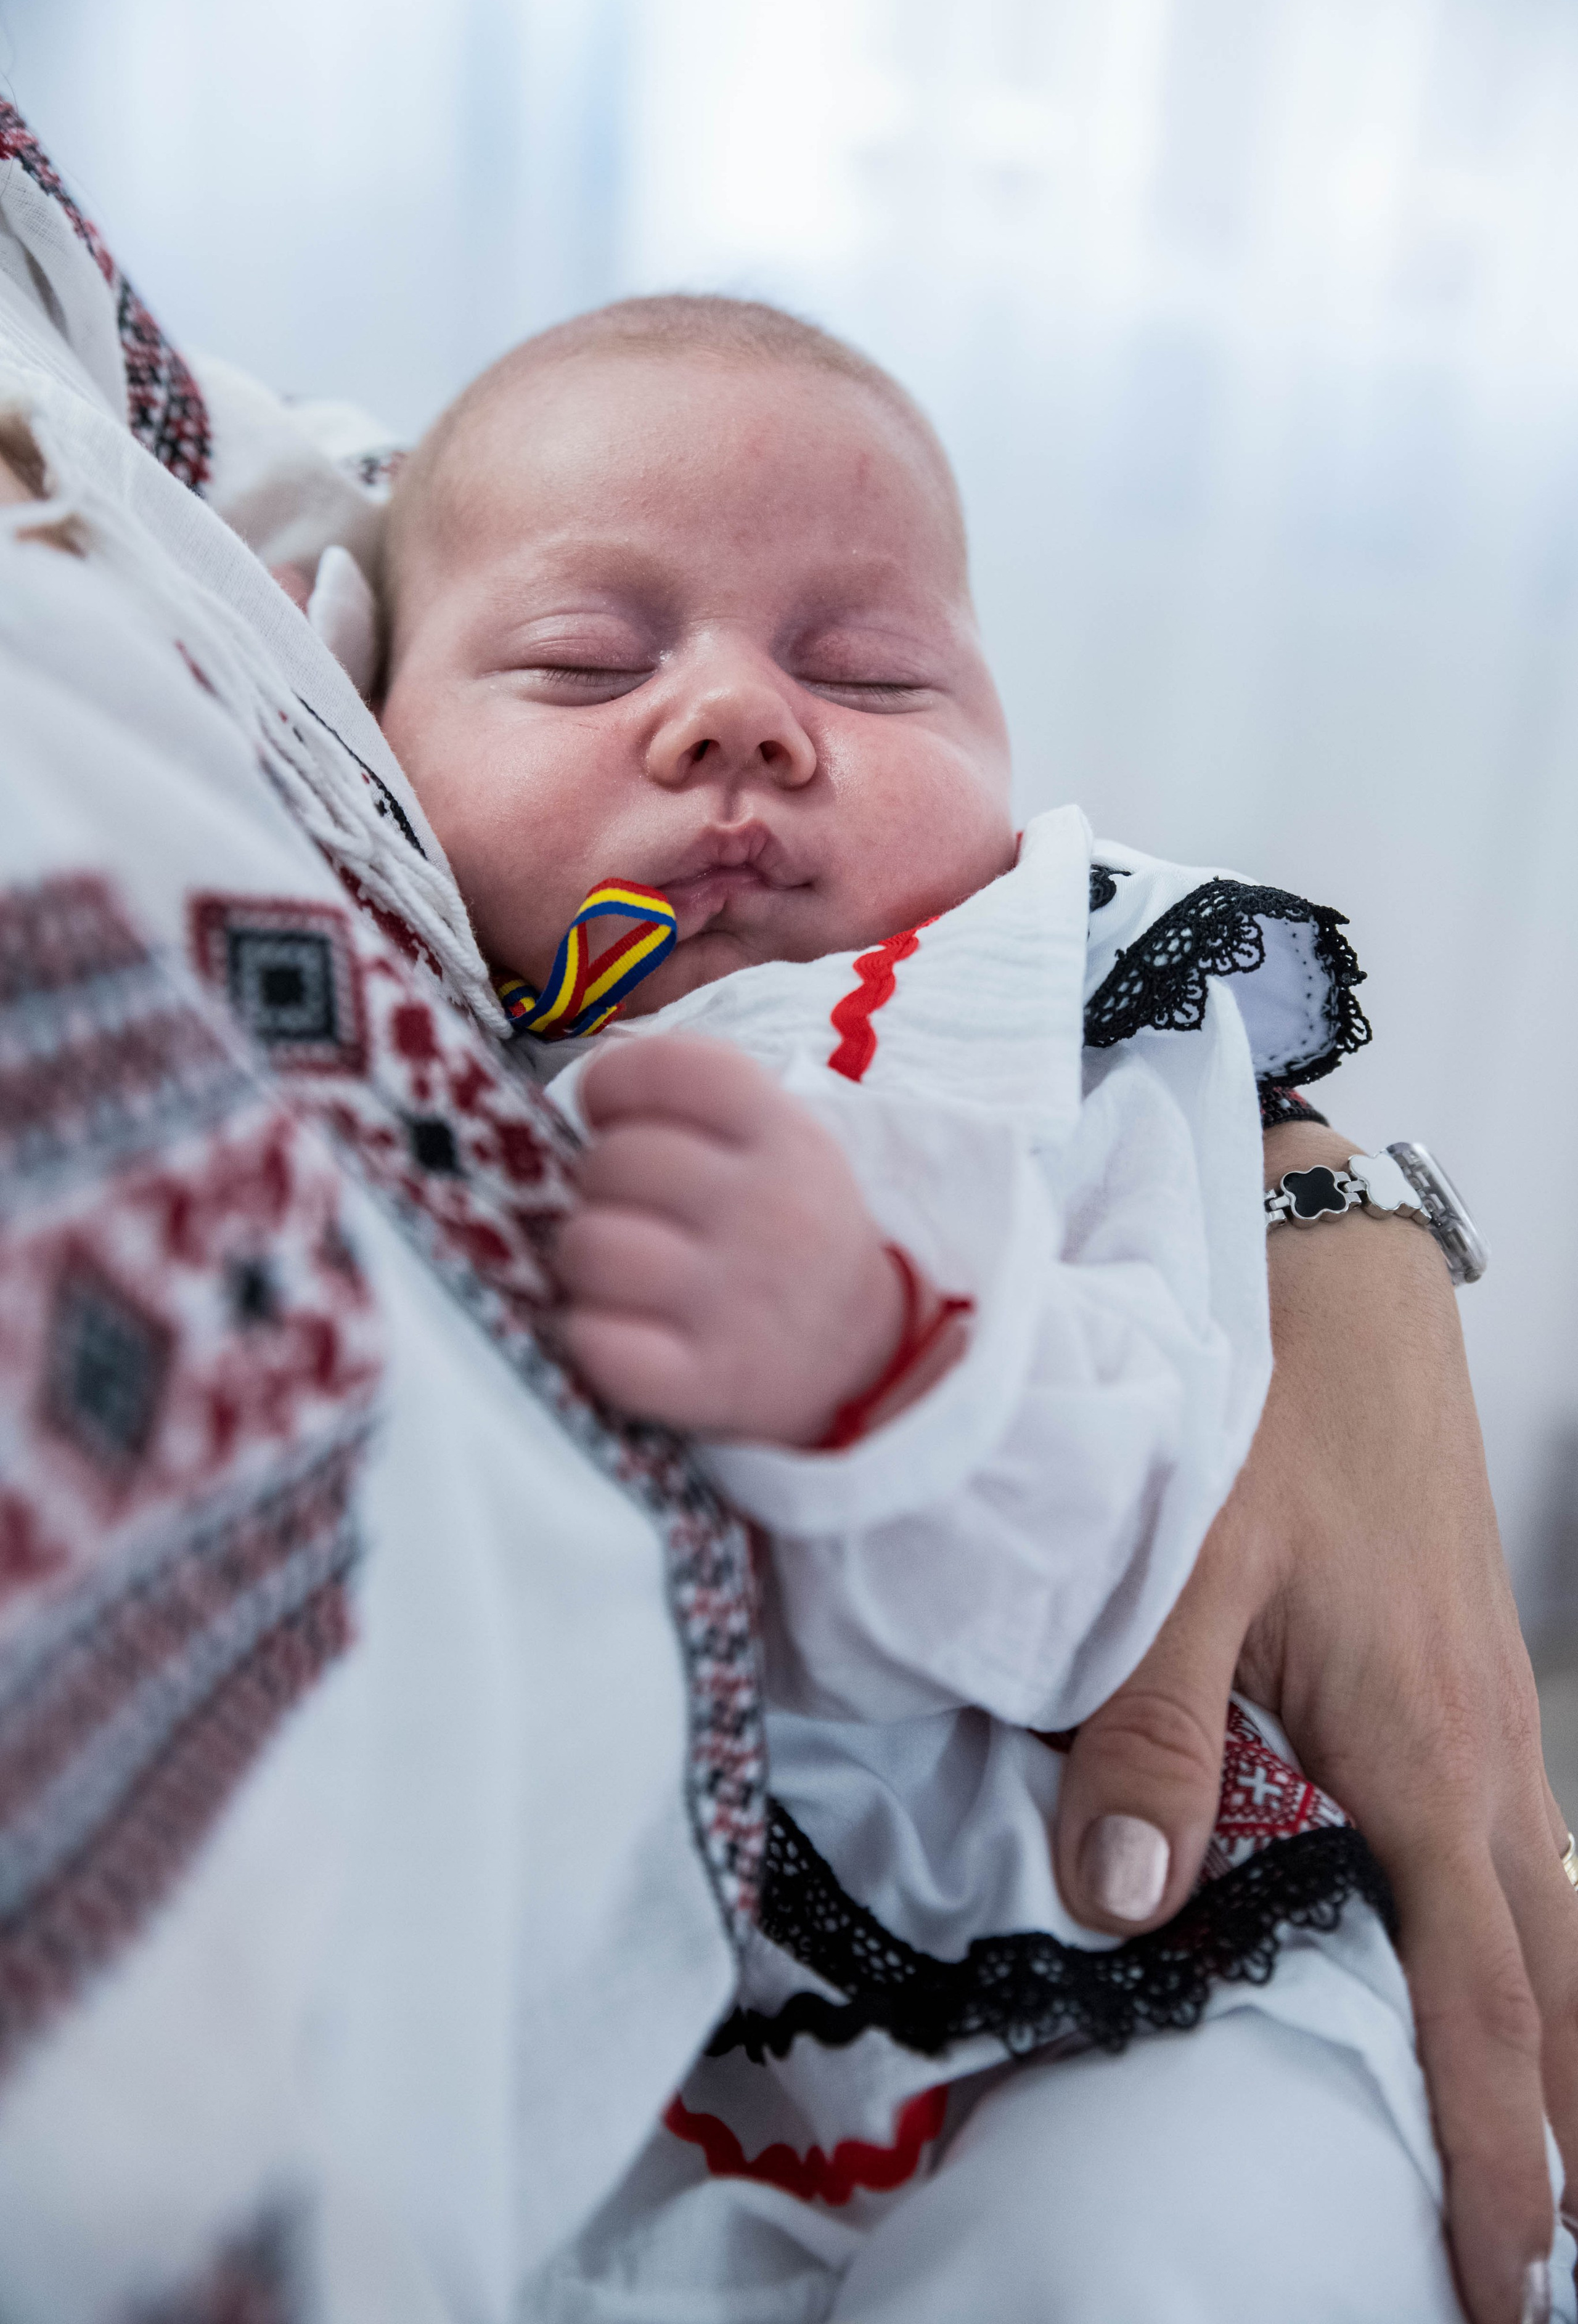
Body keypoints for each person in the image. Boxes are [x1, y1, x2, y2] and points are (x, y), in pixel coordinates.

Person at [370, 292, 1572, 2323]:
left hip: (1132, 1970)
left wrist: (889, 1355)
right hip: (672, 2050)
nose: (741, 718)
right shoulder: (411, 1029)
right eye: (587, 661)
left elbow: (1169, 1513)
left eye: (873, 672)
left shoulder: (1040, 1040)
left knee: (1178, 2238)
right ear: (371, 719)